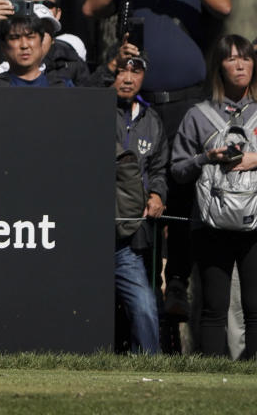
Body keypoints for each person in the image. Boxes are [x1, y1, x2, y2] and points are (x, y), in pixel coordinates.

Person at [83, 0, 232, 322]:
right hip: (139, 105)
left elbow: (223, 7)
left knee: (183, 193)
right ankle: (134, 279)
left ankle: (178, 283)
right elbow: (91, 9)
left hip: (186, 105)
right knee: (136, 188)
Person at [171, 35, 257, 357]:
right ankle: (211, 369)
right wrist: (207, 158)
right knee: (213, 305)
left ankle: (252, 372)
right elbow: (177, 170)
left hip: (255, 222)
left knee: (255, 305)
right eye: (231, 58)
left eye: (246, 58)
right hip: (209, 223)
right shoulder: (199, 115)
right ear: (218, 66)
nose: (240, 65)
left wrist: (253, 159)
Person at [113, 54, 167, 354]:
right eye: (121, 70)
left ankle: (149, 365)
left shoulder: (152, 119)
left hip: (133, 235)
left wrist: (158, 194)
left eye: (136, 72)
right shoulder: (93, 108)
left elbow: (159, 169)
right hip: (92, 230)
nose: (128, 78)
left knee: (146, 306)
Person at [0, 0, 70, 87]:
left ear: (41, 40)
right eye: (15, 38)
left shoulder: (62, 86)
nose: (24, 45)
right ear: (3, 46)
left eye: (30, 37)